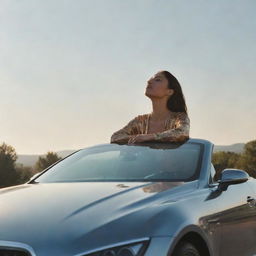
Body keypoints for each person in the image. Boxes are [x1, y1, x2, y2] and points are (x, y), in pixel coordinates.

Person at [110, 70, 190, 144]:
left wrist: (151, 137)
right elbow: (115, 137)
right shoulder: (140, 121)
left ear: (169, 91)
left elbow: (182, 132)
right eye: (150, 79)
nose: (149, 81)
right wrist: (138, 138)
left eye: (157, 80)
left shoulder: (179, 118)